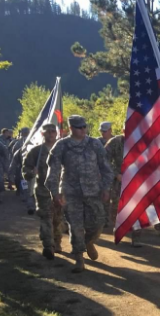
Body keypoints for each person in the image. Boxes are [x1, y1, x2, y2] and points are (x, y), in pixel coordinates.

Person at [45, 115, 114, 273]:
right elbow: (53, 171)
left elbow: (106, 169)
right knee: (75, 226)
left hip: (93, 191)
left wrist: (105, 188)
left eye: (84, 127)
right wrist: (55, 193)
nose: (83, 130)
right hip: (71, 192)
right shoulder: (62, 145)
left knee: (98, 223)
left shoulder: (94, 144)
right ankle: (79, 258)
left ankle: (89, 242)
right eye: (79, 127)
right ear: (71, 128)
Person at [23, 124, 63, 260]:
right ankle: (48, 246)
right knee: (46, 218)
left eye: (53, 131)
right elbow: (25, 170)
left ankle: (57, 242)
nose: (51, 134)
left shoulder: (62, 150)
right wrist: (31, 172)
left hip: (60, 190)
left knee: (58, 219)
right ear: (42, 133)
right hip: (43, 190)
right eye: (48, 132)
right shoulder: (36, 152)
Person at [8, 127, 33, 212]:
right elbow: (13, 157)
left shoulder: (35, 143)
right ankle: (29, 204)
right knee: (26, 188)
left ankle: (30, 203)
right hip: (24, 170)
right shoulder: (17, 144)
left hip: (32, 171)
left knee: (29, 189)